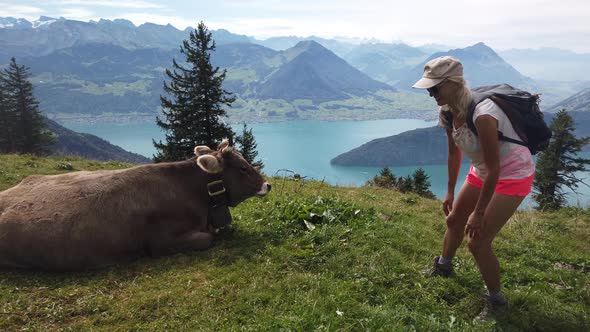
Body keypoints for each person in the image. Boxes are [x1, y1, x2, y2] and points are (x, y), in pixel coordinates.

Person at [412, 56, 535, 320]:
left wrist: (478, 212)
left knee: (477, 241)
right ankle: (444, 266)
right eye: (428, 89)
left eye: (434, 88)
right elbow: (454, 154)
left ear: (453, 83)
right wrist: (449, 191)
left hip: (512, 174)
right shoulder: (447, 111)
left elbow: (496, 169)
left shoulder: (484, 114)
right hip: (483, 171)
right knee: (454, 219)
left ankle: (498, 301)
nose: (431, 94)